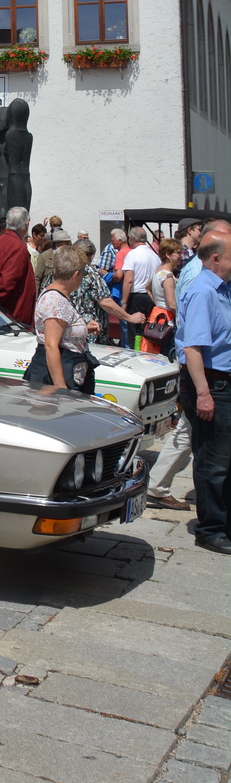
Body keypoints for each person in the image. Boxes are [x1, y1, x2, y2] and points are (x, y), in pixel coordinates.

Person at [174, 221, 231, 553]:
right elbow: (193, 348)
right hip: (212, 385)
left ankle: (223, 523)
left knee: (225, 459)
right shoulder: (202, 291)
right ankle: (210, 529)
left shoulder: (222, 289)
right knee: (213, 460)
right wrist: (204, 394)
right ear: (215, 259)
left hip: (222, 383)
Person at [25, 243, 99, 394]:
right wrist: (60, 387)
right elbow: (51, 345)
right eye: (83, 274)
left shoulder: (57, 296)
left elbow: (62, 330)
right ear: (75, 275)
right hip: (59, 379)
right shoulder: (56, 301)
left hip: (70, 373)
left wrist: (84, 328)